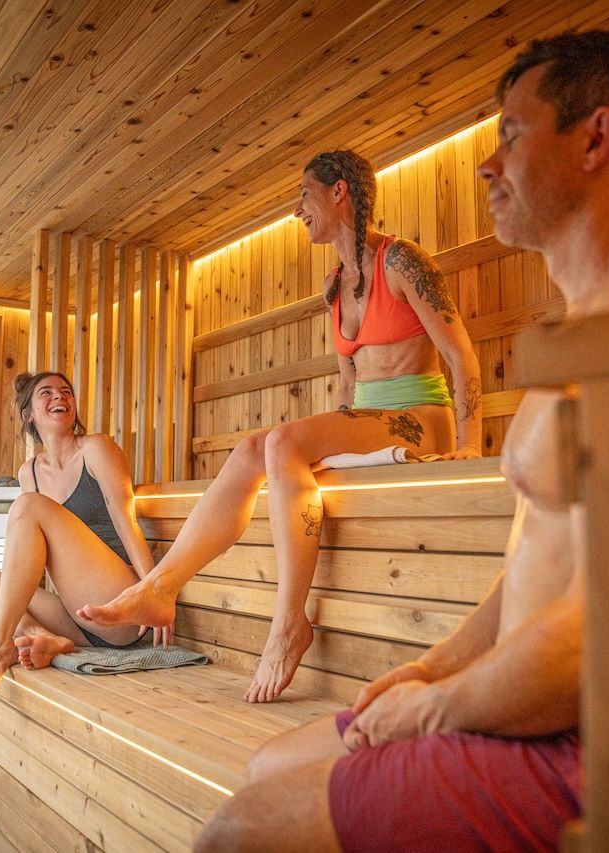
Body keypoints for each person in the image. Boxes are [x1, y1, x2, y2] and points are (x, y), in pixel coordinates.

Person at [193, 28, 609, 851]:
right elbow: (531, 575)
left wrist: (441, 708)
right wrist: (430, 668)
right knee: (267, 764)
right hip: (531, 704)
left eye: (510, 136)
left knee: (241, 831)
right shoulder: (594, 321)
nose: (486, 165)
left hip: (598, 747)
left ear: (596, 138)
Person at [79, 149, 485, 703]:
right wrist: (333, 434)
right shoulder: (334, 285)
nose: (297, 210)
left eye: (304, 195)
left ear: (339, 191)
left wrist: (470, 448)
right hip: (368, 419)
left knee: (283, 442)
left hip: (419, 419)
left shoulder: (402, 262)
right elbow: (348, 388)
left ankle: (290, 619)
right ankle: (161, 586)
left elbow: (460, 356)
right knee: (253, 448)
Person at [0, 371, 168, 699]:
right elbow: (32, 564)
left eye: (66, 392)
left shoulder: (96, 448)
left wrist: (153, 592)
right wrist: (34, 614)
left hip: (118, 606)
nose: (60, 397)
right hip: (73, 617)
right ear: (29, 415)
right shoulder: (29, 473)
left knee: (29, 506)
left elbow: (126, 521)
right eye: (46, 393)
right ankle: (35, 634)